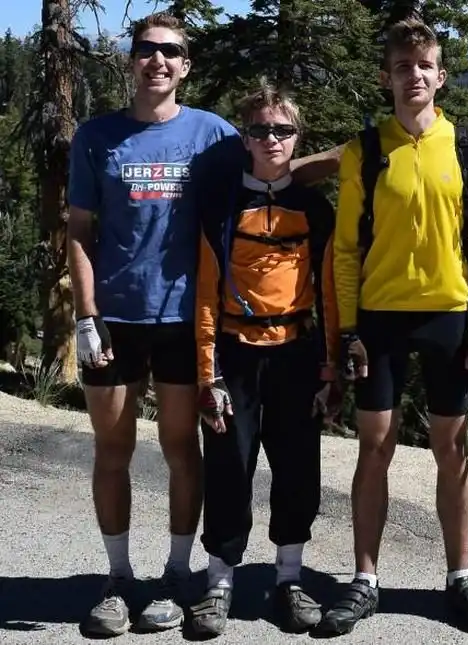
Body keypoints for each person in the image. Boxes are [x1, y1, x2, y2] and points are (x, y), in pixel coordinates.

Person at [66, 12, 339, 637]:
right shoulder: (97, 136)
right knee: (113, 449)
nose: (157, 61)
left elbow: (270, 165)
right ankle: (118, 580)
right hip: (115, 316)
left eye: (170, 52)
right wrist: (85, 313)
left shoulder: (213, 133)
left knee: (183, 450)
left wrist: (349, 156)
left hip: (185, 317)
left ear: (186, 65)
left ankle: (177, 575)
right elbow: (79, 230)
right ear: (132, 59)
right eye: (146, 50)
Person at [316, 18, 468, 636]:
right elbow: (347, 250)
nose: (414, 75)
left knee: (453, 449)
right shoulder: (365, 151)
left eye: (425, 65)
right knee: (375, 447)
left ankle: (460, 577)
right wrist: (348, 331)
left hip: (449, 316)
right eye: (403, 66)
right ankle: (364, 579)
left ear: (441, 76)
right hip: (380, 319)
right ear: (387, 77)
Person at [188, 80, 340, 638]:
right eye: (259, 130)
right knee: (229, 465)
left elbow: (329, 293)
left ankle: (289, 579)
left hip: (297, 353)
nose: (271, 139)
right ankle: (218, 583)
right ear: (246, 139)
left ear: (297, 137)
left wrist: (331, 368)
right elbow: (206, 294)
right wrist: (207, 373)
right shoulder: (220, 207)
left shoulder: (315, 209)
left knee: (298, 467)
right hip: (234, 352)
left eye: (282, 130)